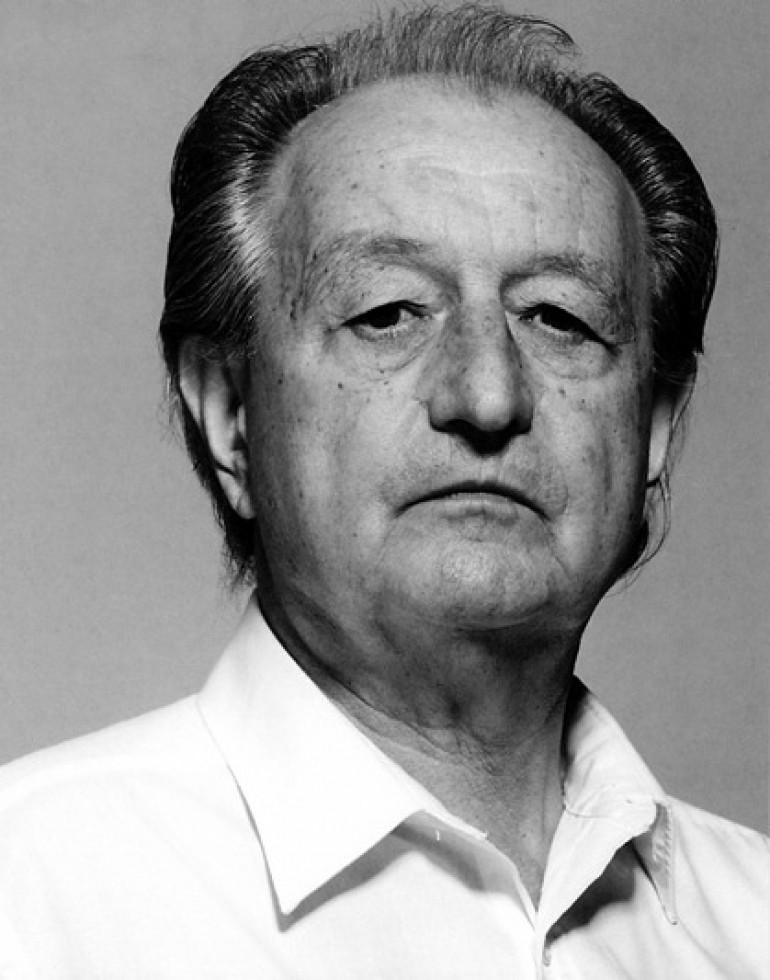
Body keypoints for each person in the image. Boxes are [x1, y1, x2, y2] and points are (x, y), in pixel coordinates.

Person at [0, 5, 766, 978]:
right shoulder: (31, 898)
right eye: (388, 311)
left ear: (653, 424)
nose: (487, 395)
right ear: (230, 411)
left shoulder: (751, 920)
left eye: (559, 318)